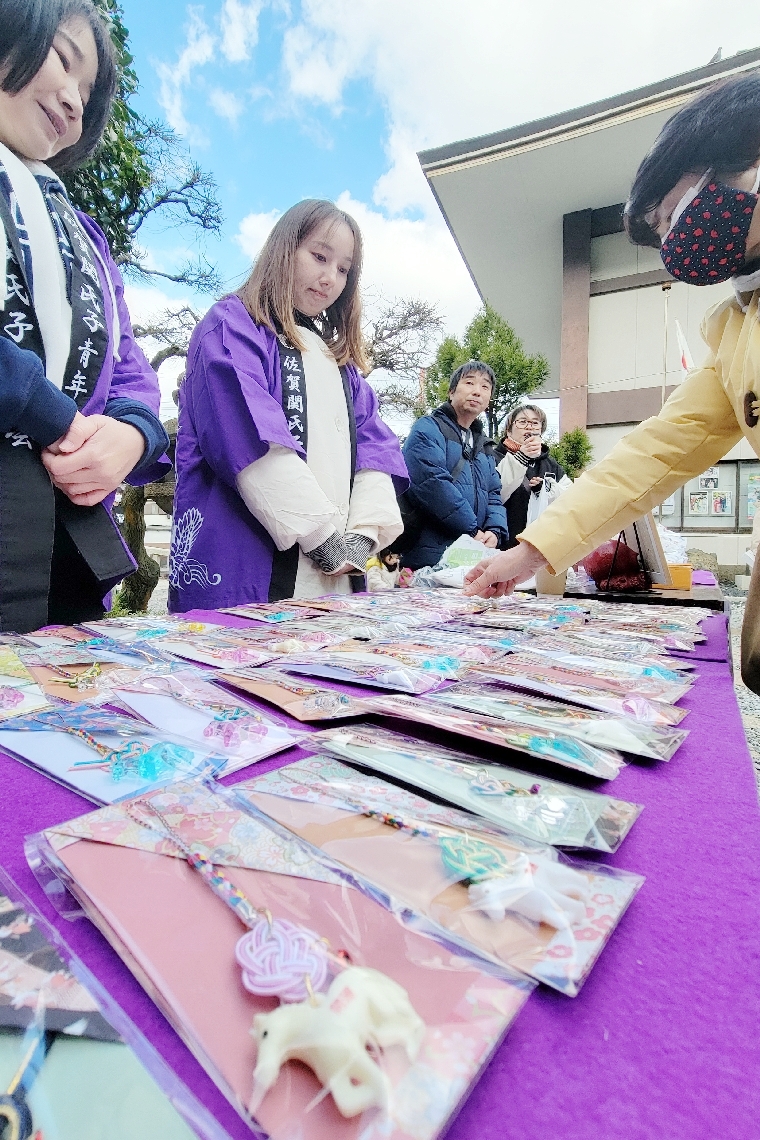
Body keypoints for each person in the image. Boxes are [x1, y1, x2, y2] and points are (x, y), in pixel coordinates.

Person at [462, 73, 760, 627]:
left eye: (671, 216)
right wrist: (533, 552)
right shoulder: (736, 336)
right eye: (664, 234)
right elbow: (649, 456)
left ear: (740, 156)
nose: (673, 241)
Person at [0, 0, 169, 632]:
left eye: (87, 90)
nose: (73, 99)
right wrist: (54, 417)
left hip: (64, 528)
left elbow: (127, 362)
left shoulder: (85, 234)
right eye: (61, 61)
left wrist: (132, 436)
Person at [169, 199, 407, 610]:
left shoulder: (343, 366)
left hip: (334, 574)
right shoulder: (232, 326)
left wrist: (362, 538)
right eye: (319, 256)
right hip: (247, 572)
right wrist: (325, 541)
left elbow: (376, 449)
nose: (330, 277)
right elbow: (245, 433)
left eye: (343, 269)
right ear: (285, 248)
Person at [398, 360, 508, 570]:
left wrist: (495, 531)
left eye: (485, 387)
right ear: (451, 392)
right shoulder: (428, 428)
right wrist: (472, 530)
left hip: (470, 559)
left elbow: (494, 493)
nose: (477, 391)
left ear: (489, 400)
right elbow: (432, 483)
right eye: (469, 383)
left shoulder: (483, 445)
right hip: (428, 557)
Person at [496, 403, 571, 546]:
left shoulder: (550, 464)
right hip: (501, 544)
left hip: (539, 547)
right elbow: (495, 493)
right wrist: (521, 457)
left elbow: (570, 499)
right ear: (509, 430)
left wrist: (545, 489)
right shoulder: (493, 457)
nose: (529, 427)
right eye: (523, 422)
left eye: (535, 423)